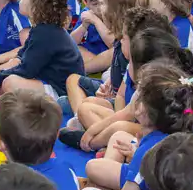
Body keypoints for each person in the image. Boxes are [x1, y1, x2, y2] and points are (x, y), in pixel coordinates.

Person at [83, 61, 193, 190]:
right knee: (105, 154)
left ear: (143, 109)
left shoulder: (148, 151)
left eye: (139, 92)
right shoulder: (186, 131)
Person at [63, 10, 177, 152]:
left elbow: (130, 114)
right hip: (129, 117)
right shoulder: (132, 65)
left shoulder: (151, 76)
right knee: (87, 106)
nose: (120, 40)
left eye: (123, 38)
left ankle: (91, 143)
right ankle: (106, 141)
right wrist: (113, 118)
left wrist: (94, 130)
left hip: (149, 129)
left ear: (136, 42)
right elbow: (121, 96)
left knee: (118, 127)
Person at [0, 0, 85, 100]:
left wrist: (0, 77)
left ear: (36, 7)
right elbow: (24, 51)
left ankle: (55, 104)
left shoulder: (45, 33)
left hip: (62, 91)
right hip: (51, 80)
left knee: (9, 82)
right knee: (12, 72)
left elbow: (27, 70)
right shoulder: (43, 28)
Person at [71, 0, 116, 74]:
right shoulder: (86, 13)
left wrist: (96, 21)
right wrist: (83, 26)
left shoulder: (115, 12)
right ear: (85, 2)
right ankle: (96, 68)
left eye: (104, 2)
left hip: (110, 57)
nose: (100, 8)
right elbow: (71, 43)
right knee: (75, 49)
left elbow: (113, 44)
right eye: (95, 4)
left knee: (115, 52)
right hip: (90, 55)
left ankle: (81, 71)